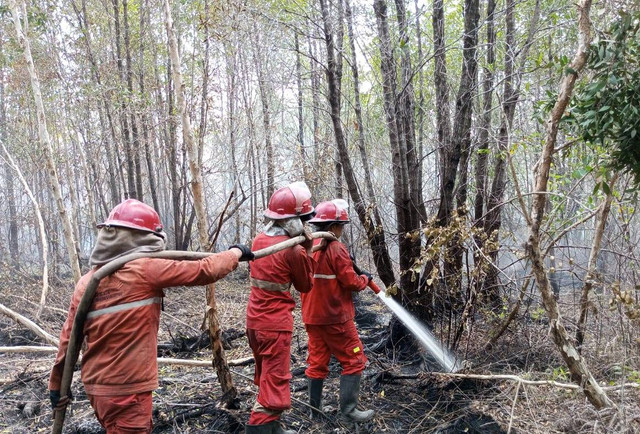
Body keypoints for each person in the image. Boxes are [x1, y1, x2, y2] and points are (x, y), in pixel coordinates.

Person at [49, 199, 253, 433]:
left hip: (97, 387)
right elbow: (205, 269)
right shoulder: (144, 270)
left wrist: (56, 384)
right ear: (143, 237)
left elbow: (68, 339)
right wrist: (236, 252)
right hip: (128, 388)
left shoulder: (86, 282)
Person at [245, 181, 315, 434]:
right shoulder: (294, 251)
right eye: (303, 220)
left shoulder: (258, 241)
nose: (306, 225)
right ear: (293, 220)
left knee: (267, 378)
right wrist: (306, 250)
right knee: (273, 389)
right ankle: (259, 428)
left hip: (254, 321)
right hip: (275, 326)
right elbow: (305, 285)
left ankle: (274, 429)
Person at [301, 199, 375, 423]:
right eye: (341, 225)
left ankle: (315, 411)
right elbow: (351, 282)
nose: (342, 230)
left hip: (313, 318)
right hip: (335, 319)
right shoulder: (336, 249)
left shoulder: (309, 248)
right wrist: (364, 279)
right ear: (333, 227)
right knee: (354, 360)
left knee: (317, 362)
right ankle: (349, 411)